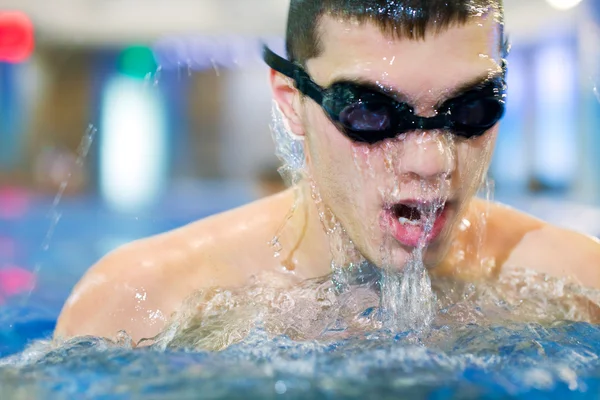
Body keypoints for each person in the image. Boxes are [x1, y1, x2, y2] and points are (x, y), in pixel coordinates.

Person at [55, 0, 600, 344]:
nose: (433, 161)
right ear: (292, 102)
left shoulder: (579, 281)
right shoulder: (139, 304)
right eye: (370, 113)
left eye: (473, 110)